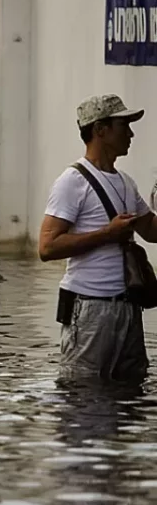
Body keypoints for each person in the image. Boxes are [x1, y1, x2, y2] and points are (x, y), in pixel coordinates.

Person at [39, 94, 157, 382]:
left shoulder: (126, 182)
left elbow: (152, 232)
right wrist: (107, 234)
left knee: (130, 388)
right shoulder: (72, 180)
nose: (130, 133)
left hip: (129, 307)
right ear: (99, 130)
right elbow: (47, 246)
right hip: (89, 308)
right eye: (123, 125)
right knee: (83, 394)